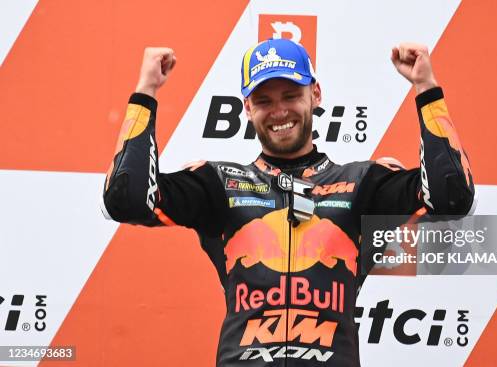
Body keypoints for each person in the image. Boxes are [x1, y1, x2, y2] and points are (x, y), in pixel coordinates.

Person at [101, 38, 474, 367]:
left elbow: (451, 196)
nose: (279, 111)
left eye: (291, 96)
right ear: (247, 108)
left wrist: (426, 89)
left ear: (316, 94)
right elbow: (126, 200)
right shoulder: (218, 184)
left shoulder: (363, 183)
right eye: (264, 101)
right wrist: (145, 92)